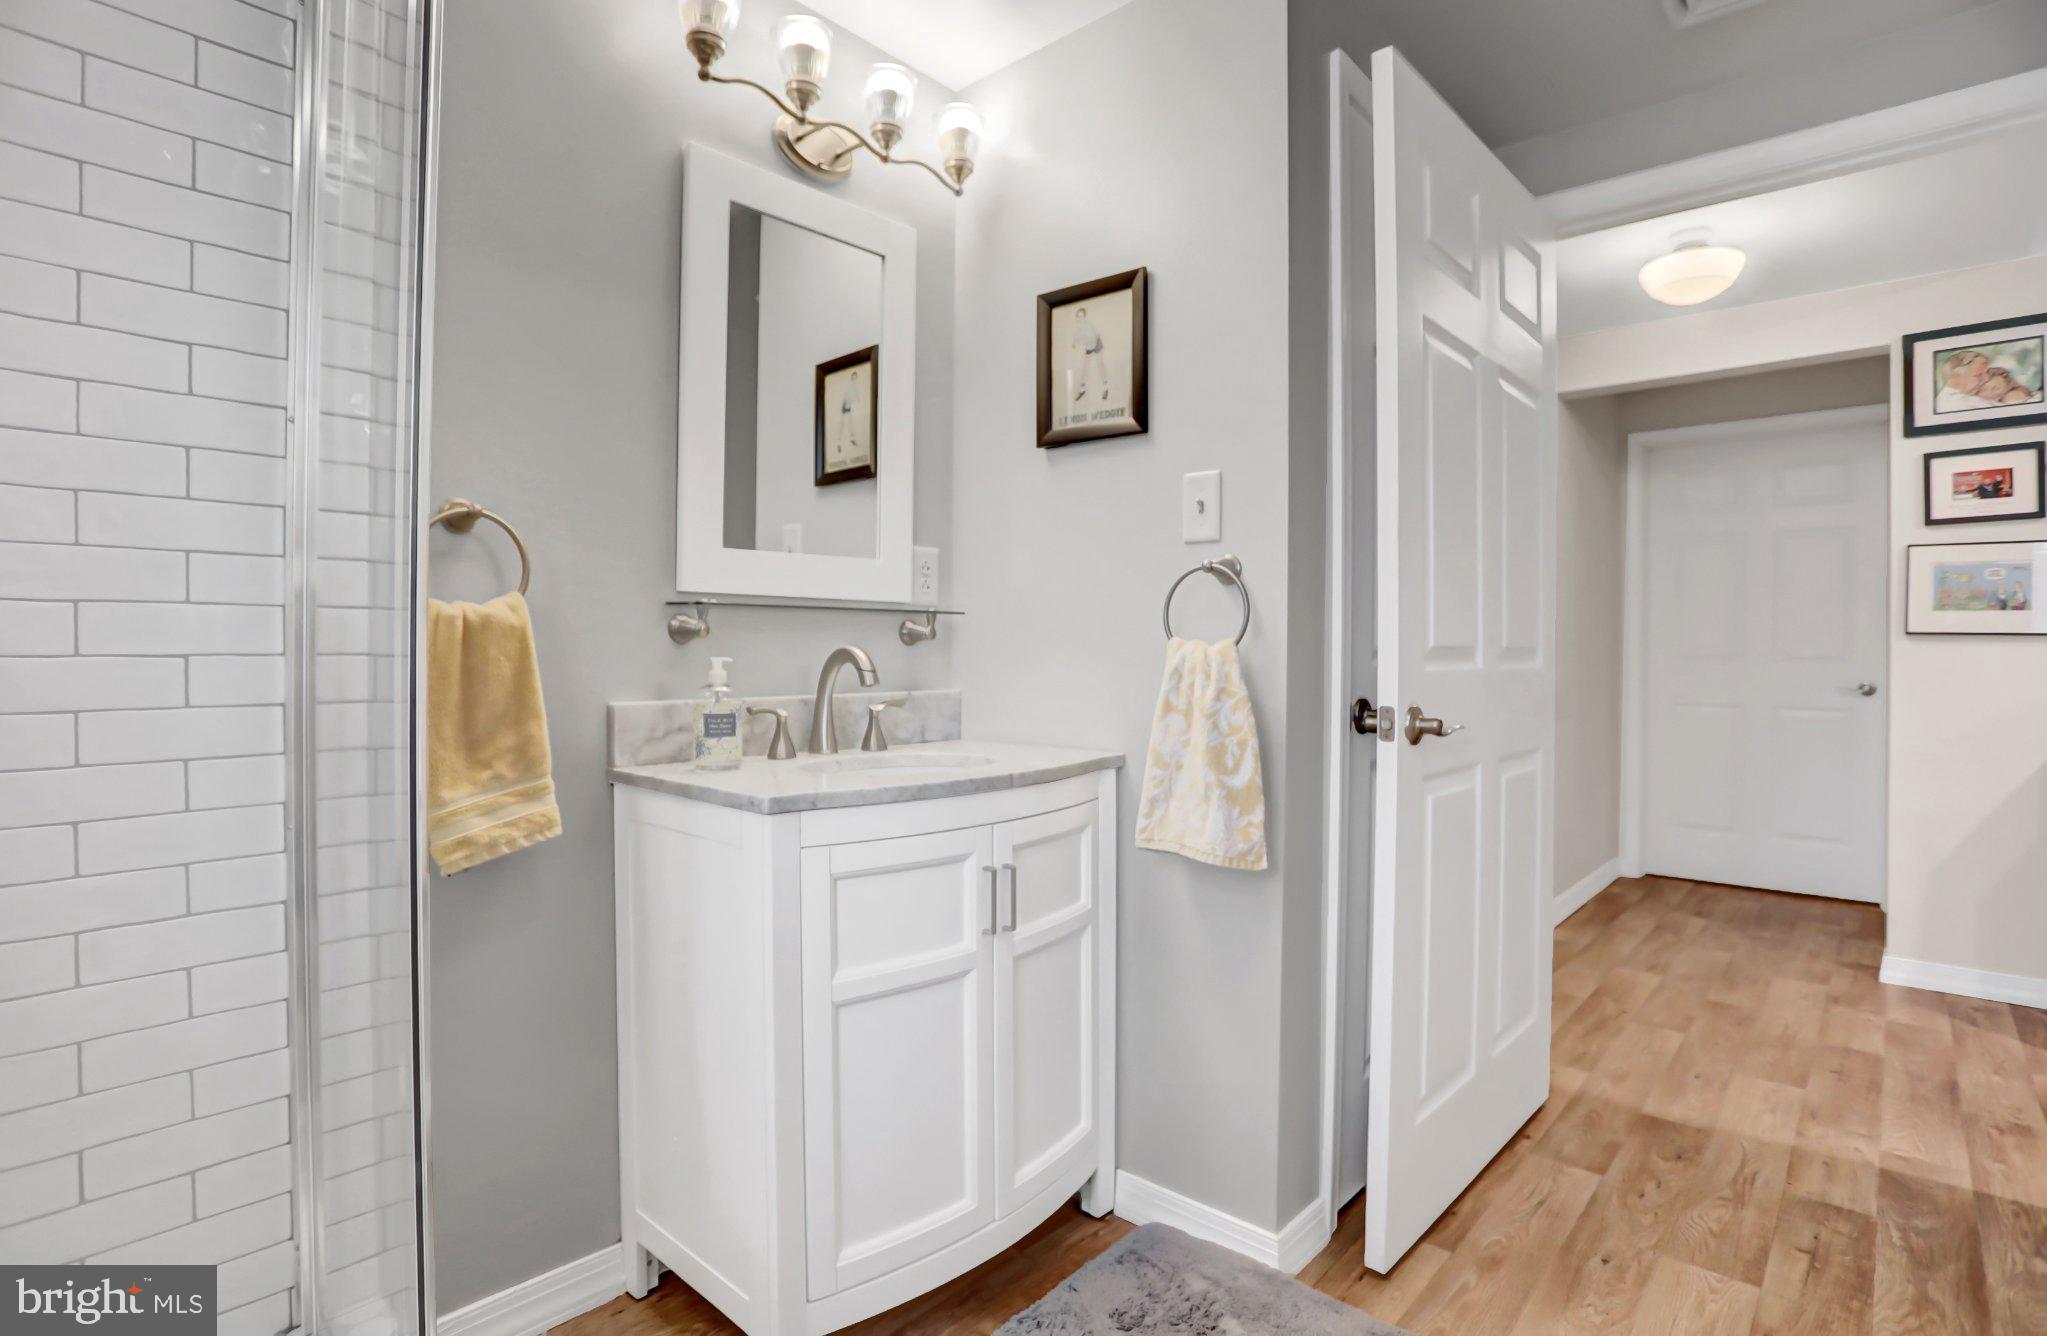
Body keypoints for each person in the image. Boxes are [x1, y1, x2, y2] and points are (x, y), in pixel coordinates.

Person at [1070, 306, 1109, 403]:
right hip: (1089, 347)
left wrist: (1083, 340)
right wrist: (1074, 343)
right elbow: (1076, 338)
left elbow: (1094, 336)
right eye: (1078, 316)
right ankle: (1082, 389)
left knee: (1100, 365)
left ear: (1085, 317)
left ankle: (1105, 387)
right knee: (1085, 368)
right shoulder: (1079, 327)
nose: (1079, 318)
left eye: (1081, 316)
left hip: (1096, 345)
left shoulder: (1088, 325)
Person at [1935, 349, 1994, 413]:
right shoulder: (1953, 405)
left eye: (1987, 374)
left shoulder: (1972, 398)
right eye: (1979, 375)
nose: (1986, 379)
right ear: (1955, 376)